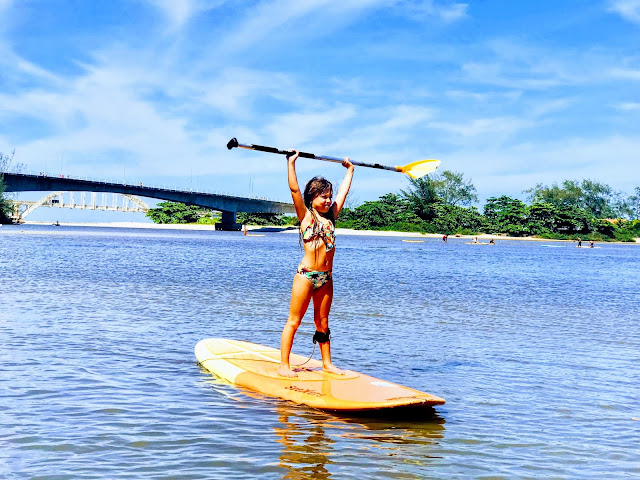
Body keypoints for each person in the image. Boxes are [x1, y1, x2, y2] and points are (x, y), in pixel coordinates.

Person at [277, 149, 354, 378]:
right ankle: (284, 365)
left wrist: (349, 170)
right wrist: (291, 163)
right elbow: (294, 190)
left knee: (322, 322)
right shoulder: (306, 216)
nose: (329, 200)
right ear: (313, 198)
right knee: (294, 321)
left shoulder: (331, 216)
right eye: (323, 197)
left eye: (329, 196)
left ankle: (327, 363)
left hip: (326, 278)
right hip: (306, 276)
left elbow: (344, 192)